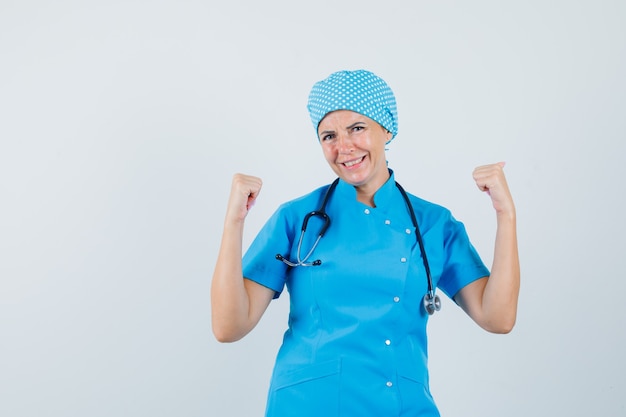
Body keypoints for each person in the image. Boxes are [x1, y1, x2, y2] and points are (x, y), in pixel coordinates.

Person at [211, 69, 520, 416]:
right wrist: (234, 221)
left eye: (357, 128)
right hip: (309, 406)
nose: (344, 147)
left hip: (401, 405)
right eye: (329, 135)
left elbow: (498, 318)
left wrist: (505, 215)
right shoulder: (297, 218)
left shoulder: (433, 224)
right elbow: (228, 326)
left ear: (386, 129)